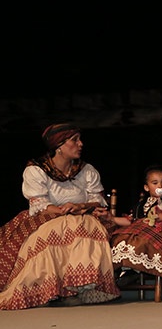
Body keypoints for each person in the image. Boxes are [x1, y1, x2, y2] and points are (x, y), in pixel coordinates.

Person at [0, 123, 119, 309]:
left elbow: (97, 199)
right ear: (59, 146)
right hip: (48, 216)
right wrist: (64, 211)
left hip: (83, 215)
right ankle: (45, 290)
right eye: (75, 140)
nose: (81, 144)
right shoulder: (37, 169)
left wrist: (80, 206)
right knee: (49, 233)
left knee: (86, 226)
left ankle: (82, 287)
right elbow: (39, 204)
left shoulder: (86, 170)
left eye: (79, 139)